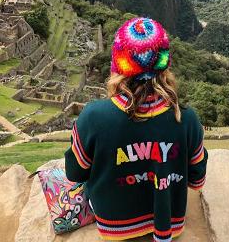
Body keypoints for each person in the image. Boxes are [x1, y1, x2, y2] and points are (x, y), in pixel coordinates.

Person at [65, 18, 208, 241]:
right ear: (164, 64)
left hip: (113, 224)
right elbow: (197, 180)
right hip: (170, 222)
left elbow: (75, 173)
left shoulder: (93, 117)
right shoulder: (187, 119)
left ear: (119, 64)